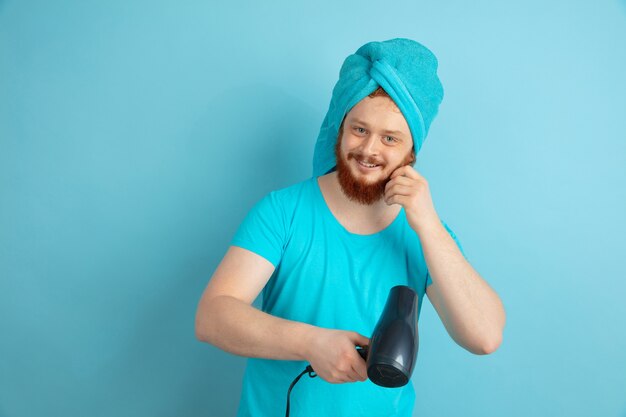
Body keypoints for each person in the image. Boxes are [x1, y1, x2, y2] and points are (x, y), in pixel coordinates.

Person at [195, 38, 506, 417]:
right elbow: (213, 316)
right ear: (340, 128)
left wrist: (428, 225)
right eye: (359, 130)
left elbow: (484, 336)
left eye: (390, 138)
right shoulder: (282, 212)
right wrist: (310, 343)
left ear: (412, 152)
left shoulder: (427, 235)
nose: (369, 150)